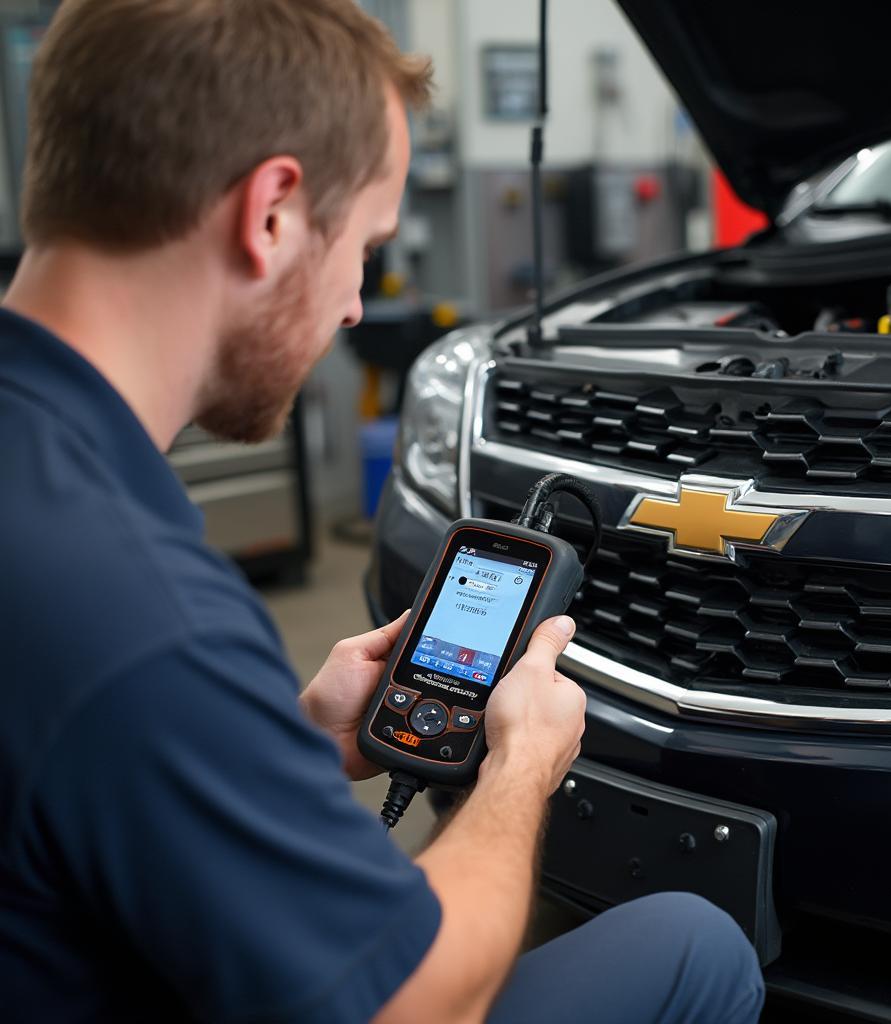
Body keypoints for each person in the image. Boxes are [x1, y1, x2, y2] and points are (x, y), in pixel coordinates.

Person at [0, 2, 765, 1022]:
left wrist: (282, 742)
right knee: (695, 945)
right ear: (271, 213)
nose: (357, 303)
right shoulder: (139, 610)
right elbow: (419, 1004)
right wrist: (522, 767)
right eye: (365, 243)